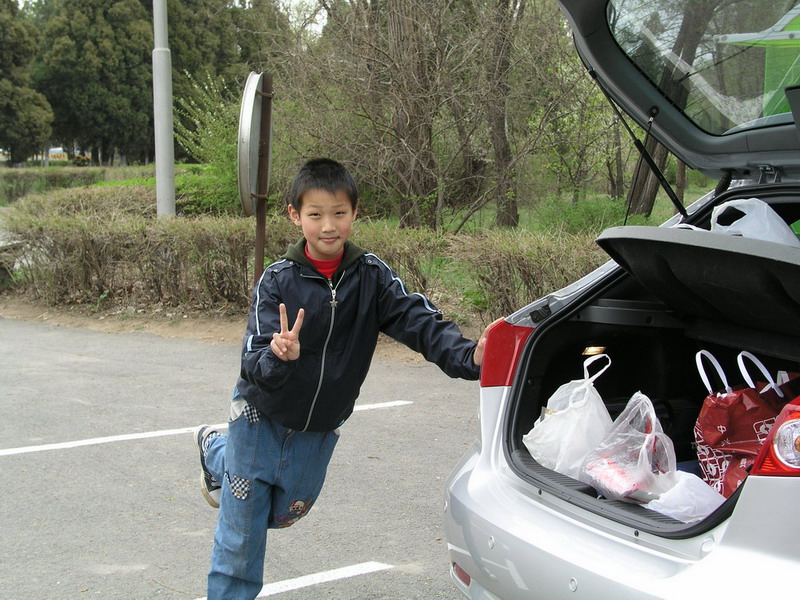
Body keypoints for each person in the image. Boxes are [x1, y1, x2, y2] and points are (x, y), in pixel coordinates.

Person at [193, 157, 496, 599]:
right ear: (296, 216)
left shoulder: (371, 277)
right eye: (315, 215)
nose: (328, 226)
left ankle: (213, 450)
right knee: (241, 535)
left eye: (338, 213)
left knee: (283, 512)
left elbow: (420, 322)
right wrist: (280, 355)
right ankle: (228, 460)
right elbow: (254, 358)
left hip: (320, 424)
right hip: (260, 416)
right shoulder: (276, 280)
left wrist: (471, 355)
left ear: (355, 212)